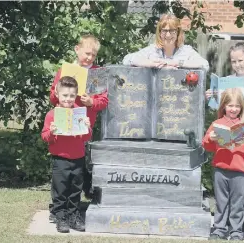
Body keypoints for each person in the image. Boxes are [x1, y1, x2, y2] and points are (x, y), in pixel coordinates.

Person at [205, 42, 244, 232]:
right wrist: (212, 96)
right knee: (226, 177)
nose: (237, 64)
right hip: (226, 134)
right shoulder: (227, 80)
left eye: (240, 60)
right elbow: (219, 107)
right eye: (233, 61)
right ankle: (228, 217)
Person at [49, 34, 108, 221]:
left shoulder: (98, 73)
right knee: (62, 167)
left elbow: (104, 100)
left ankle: (76, 206)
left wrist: (91, 101)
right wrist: (63, 96)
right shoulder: (66, 69)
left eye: (93, 55)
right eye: (87, 53)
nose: (90, 58)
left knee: (80, 167)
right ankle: (59, 208)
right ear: (77, 49)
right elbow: (52, 96)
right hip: (63, 126)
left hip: (84, 127)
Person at [202, 88, 244, 241]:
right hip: (220, 169)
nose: (233, 109)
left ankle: (236, 231)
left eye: (237, 106)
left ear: (241, 107)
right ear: (223, 107)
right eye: (230, 105)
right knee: (221, 201)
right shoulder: (216, 124)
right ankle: (219, 229)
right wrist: (211, 139)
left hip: (239, 171)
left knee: (237, 202)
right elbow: (206, 145)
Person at [42, 76, 92, 233]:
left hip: (78, 158)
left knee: (75, 190)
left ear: (76, 95)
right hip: (60, 159)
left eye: (71, 95)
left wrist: (87, 127)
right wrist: (52, 131)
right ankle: (61, 217)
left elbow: (86, 137)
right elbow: (44, 136)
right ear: (57, 94)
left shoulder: (79, 114)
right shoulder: (52, 115)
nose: (68, 99)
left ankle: (73, 216)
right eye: (65, 95)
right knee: (60, 190)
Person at [122, 14, 209, 71]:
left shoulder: (186, 51)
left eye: (172, 31)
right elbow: (127, 59)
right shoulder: (152, 50)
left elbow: (205, 65)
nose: (168, 35)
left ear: (178, 32)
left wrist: (176, 63)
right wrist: (151, 64)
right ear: (159, 32)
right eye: (164, 31)